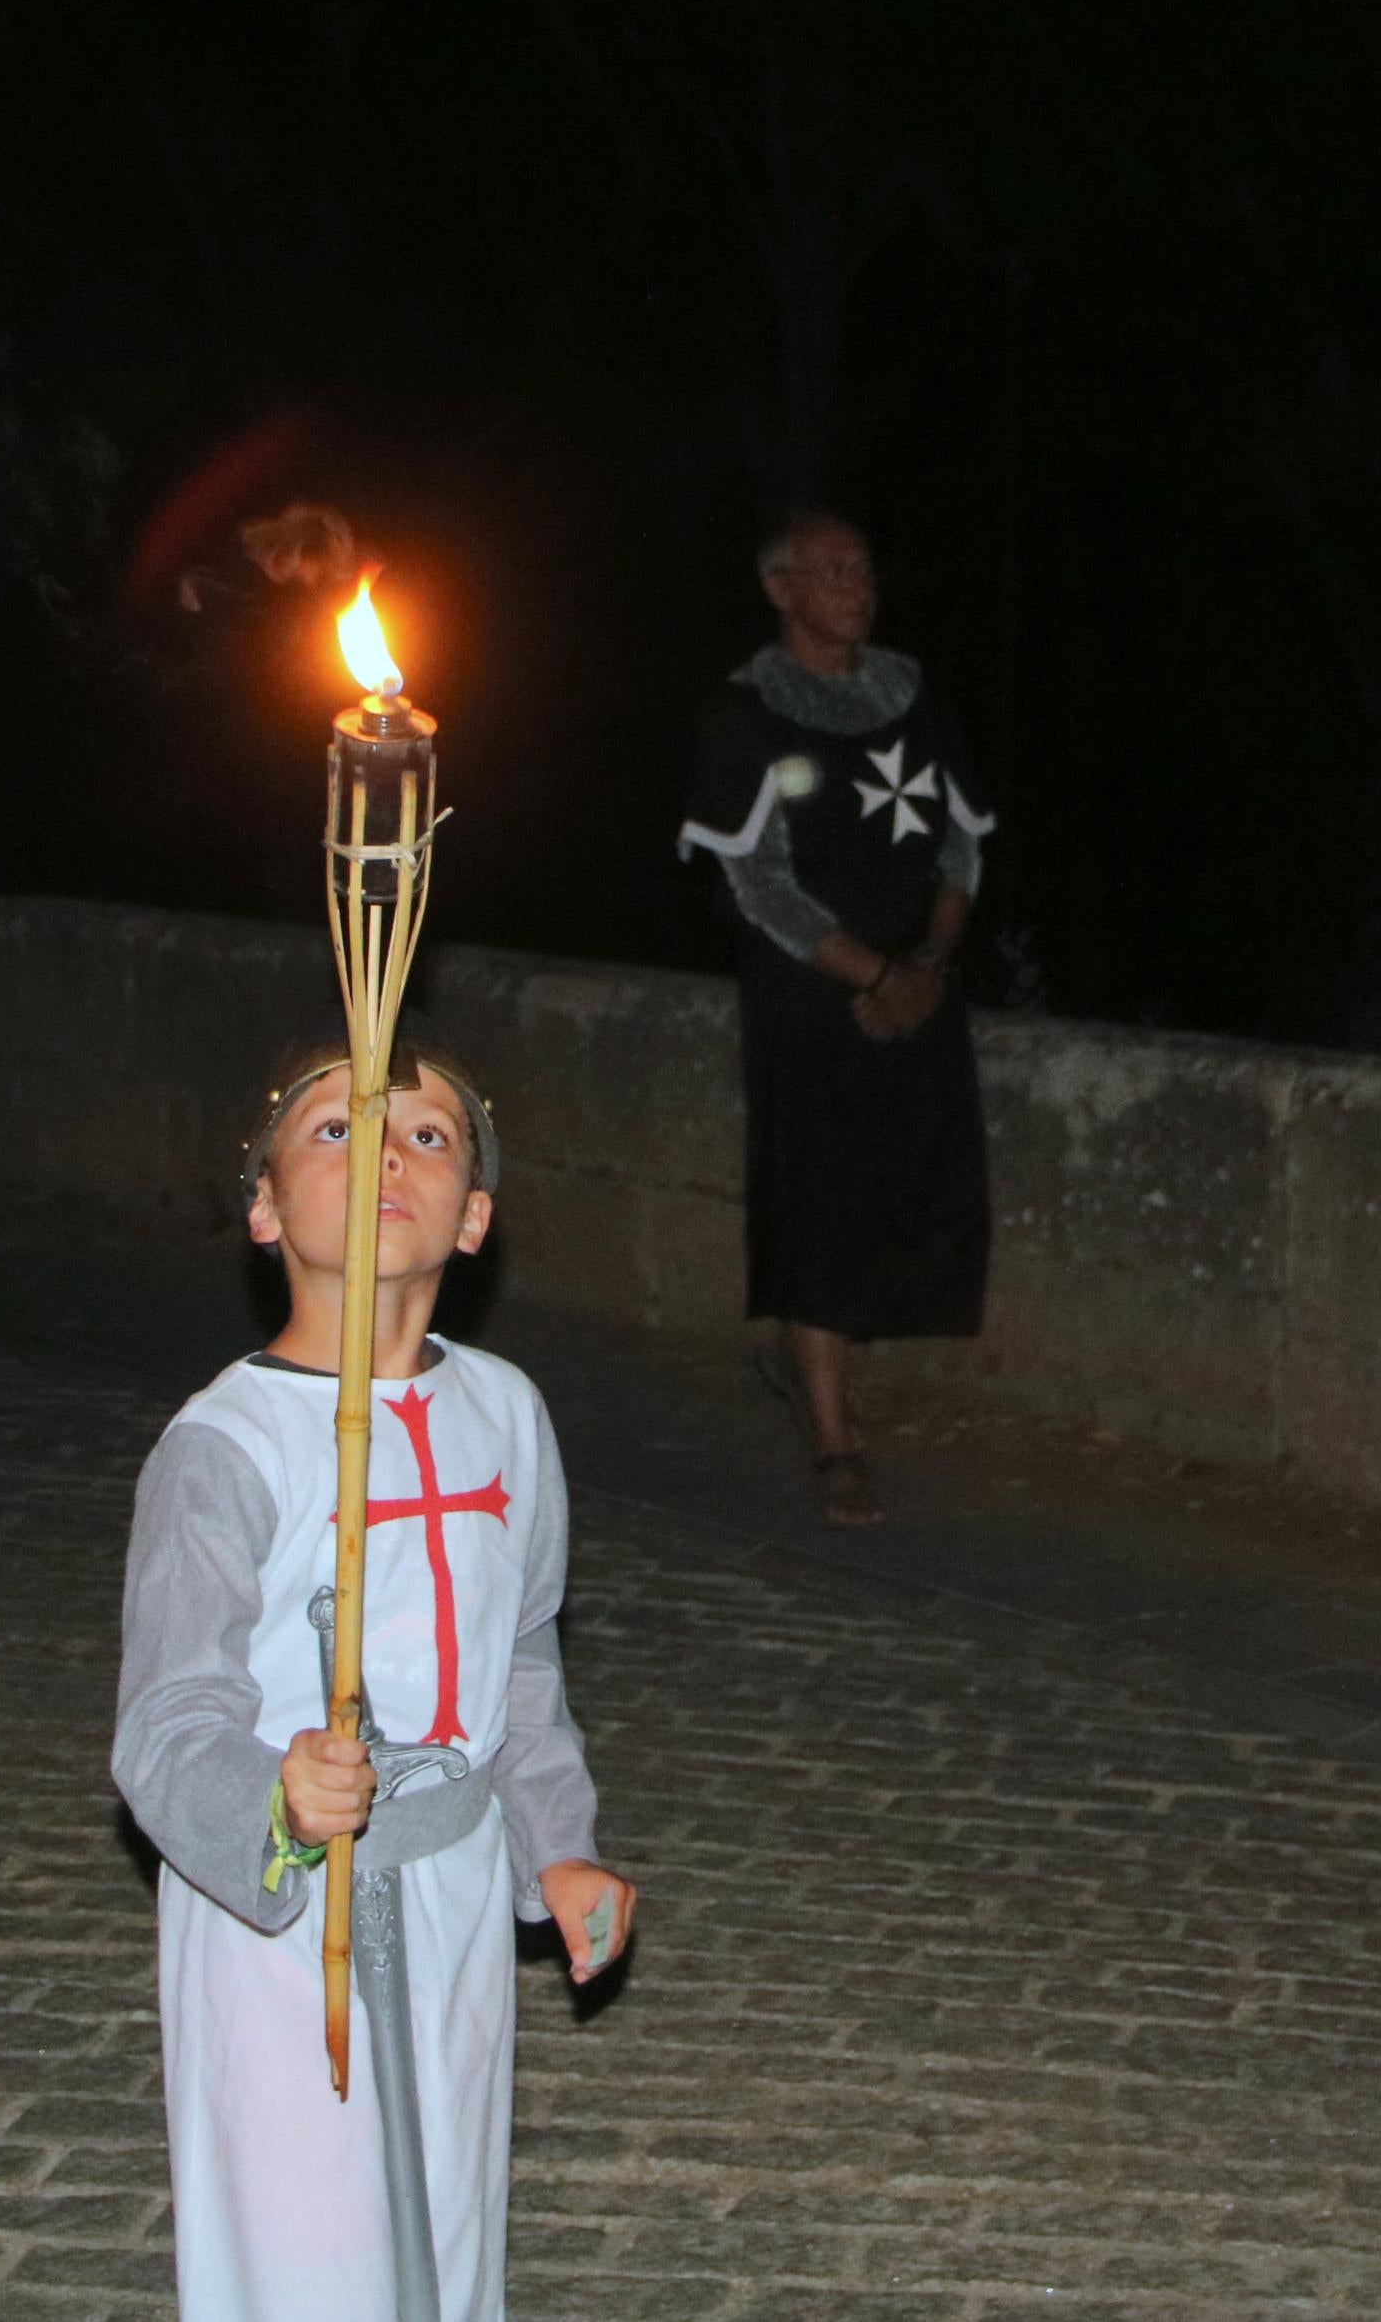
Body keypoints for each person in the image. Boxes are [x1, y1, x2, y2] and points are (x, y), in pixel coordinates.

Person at [113, 1046, 638, 2322]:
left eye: (426, 1136)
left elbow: (518, 1662)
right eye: (335, 1131)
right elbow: (165, 1727)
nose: (384, 1155)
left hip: (453, 1893)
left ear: (473, 1218)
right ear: (262, 1209)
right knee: (305, 2249)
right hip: (284, 1923)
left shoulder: (506, 1415)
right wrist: (278, 1803)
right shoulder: (222, 1447)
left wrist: (554, 1848)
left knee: (447, 2238)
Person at [677, 510, 997, 1525]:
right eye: (830, 571)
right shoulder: (746, 713)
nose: (855, 586)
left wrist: (928, 960)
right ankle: (831, 1438)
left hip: (918, 981)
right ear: (782, 590)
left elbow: (959, 839)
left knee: (904, 1190)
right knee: (817, 1200)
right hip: (810, 996)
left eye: (861, 568)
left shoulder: (909, 691)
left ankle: (815, 1373)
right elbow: (757, 880)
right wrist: (867, 977)